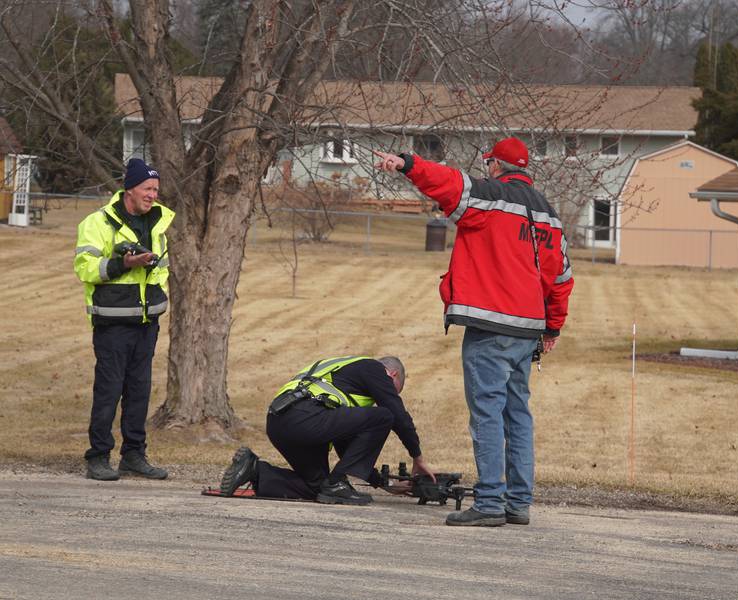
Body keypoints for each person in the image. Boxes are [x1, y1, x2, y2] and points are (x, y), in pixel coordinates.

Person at [374, 137, 574, 527]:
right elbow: (561, 277)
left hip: (491, 326)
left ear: (496, 165)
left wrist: (408, 164)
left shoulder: (490, 197)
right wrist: (552, 326)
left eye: (488, 164)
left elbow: (449, 182)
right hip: (527, 330)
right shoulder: (550, 215)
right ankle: (518, 504)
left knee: (487, 412)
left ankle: (489, 503)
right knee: (518, 415)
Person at [74, 158, 174, 481]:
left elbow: (163, 271)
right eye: (147, 188)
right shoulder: (98, 223)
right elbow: (85, 268)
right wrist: (123, 264)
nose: (152, 195)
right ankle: (98, 456)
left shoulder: (158, 223)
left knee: (139, 390)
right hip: (113, 323)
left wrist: (150, 268)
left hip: (147, 323)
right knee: (109, 390)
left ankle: (134, 455)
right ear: (130, 189)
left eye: (156, 189)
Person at [219, 355, 436, 505]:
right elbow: (396, 413)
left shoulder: (342, 374)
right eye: (392, 390)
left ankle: (254, 469)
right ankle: (336, 484)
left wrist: (382, 483)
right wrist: (417, 457)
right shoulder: (374, 368)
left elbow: (348, 448)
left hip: (280, 422)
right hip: (304, 417)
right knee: (384, 416)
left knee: (320, 489)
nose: (386, 395)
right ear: (393, 375)